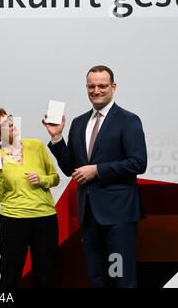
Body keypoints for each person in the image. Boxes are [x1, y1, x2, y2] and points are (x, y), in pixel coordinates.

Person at [42, 65, 147, 288]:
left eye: (102, 86)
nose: (96, 90)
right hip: (89, 215)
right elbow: (71, 169)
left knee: (122, 278)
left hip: (119, 216)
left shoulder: (128, 120)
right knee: (97, 279)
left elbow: (138, 163)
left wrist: (97, 169)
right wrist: (57, 138)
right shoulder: (79, 123)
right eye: (91, 86)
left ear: (113, 87)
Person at [0, 108, 60, 288]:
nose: (10, 123)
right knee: (10, 275)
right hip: (14, 221)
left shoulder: (36, 145)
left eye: (9, 118)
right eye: (3, 124)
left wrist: (42, 180)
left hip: (45, 219)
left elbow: (55, 178)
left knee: (46, 275)